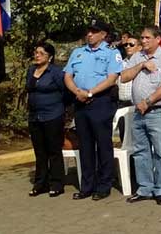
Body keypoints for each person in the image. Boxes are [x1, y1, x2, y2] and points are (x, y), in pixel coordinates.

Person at [64, 19, 123, 201]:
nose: (89, 34)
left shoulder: (112, 53)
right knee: (86, 145)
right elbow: (68, 75)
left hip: (100, 101)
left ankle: (104, 185)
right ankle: (87, 186)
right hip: (80, 102)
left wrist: (90, 93)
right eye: (88, 31)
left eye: (94, 31)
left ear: (103, 34)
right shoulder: (78, 52)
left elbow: (111, 78)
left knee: (103, 145)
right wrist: (77, 92)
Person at [121, 26, 161, 206]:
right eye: (142, 37)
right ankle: (144, 188)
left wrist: (148, 101)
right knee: (140, 152)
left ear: (157, 39)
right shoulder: (137, 57)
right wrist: (141, 65)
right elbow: (124, 77)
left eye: (147, 38)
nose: (143, 41)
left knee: (160, 152)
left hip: (158, 112)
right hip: (139, 113)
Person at [26, 42, 66, 198]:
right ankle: (40, 183)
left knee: (53, 150)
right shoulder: (31, 70)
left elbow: (65, 92)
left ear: (49, 57)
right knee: (40, 151)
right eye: (36, 52)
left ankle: (57, 183)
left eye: (41, 53)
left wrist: (61, 109)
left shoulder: (55, 72)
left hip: (53, 115)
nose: (37, 55)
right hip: (35, 117)